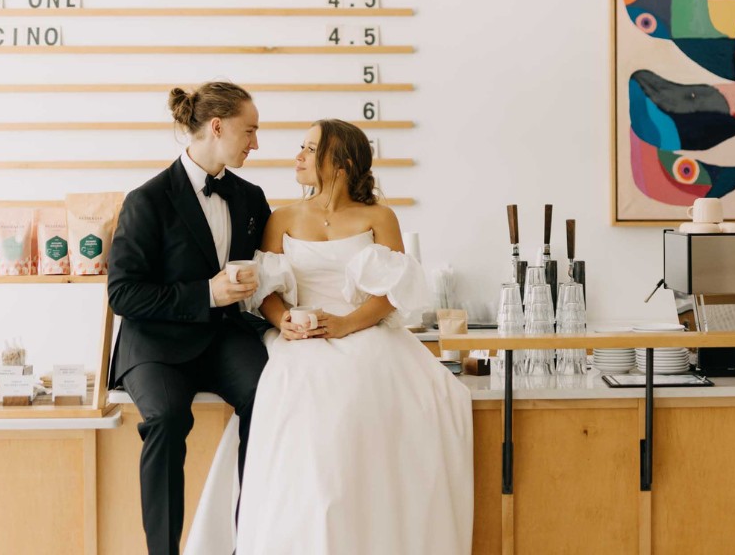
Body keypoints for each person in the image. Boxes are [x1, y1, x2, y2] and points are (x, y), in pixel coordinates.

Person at [185, 119, 474, 555]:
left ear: (341, 163)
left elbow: (391, 294)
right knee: (298, 396)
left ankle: (368, 522)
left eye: (309, 148)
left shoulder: (380, 217)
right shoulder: (281, 217)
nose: (297, 156)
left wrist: (345, 324)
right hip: (300, 337)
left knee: (376, 390)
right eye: (301, 147)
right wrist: (283, 322)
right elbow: (267, 291)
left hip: (363, 328)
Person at [107, 83, 271, 555]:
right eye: (250, 130)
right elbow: (123, 293)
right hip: (156, 344)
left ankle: (252, 540)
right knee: (166, 418)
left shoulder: (251, 198)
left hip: (224, 338)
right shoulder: (147, 200)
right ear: (216, 127)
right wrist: (206, 293)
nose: (255, 143)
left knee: (270, 399)